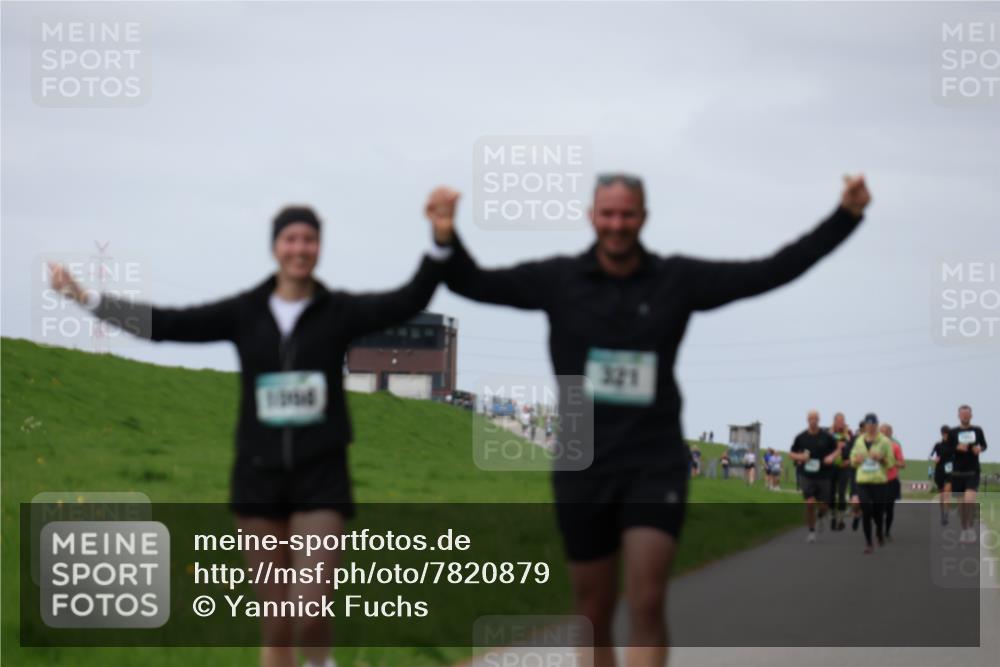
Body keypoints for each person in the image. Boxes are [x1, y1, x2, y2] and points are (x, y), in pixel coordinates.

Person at [425, 172, 870, 666]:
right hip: (583, 460)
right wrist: (445, 235)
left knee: (647, 597)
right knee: (592, 608)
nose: (617, 224)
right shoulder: (559, 280)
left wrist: (845, 217)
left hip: (653, 460)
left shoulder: (674, 281)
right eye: (608, 214)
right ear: (591, 216)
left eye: (628, 214)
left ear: (644, 218)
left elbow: (769, 270)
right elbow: (474, 282)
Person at [49, 204, 447, 667]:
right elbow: (167, 324)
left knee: (309, 611)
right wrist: (86, 298)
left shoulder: (340, 312)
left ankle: (321, 663)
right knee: (277, 625)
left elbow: (407, 299)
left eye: (309, 240)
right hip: (258, 478)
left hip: (321, 475)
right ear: (276, 247)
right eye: (290, 239)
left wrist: (440, 242)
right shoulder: (244, 313)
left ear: (319, 248)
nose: (300, 249)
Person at [850, 413, 895, 554]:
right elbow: (852, 460)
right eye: (868, 424)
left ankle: (880, 532)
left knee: (878, 512)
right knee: (867, 510)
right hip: (863, 481)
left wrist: (881, 458)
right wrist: (856, 460)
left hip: (879, 482)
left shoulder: (885, 442)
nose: (870, 427)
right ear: (865, 426)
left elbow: (891, 463)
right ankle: (869, 543)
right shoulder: (859, 441)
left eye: (873, 424)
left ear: (876, 425)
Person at [790, 410, 837, 542]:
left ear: (819, 420)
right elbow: (791, 453)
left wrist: (831, 456)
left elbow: (838, 449)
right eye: (811, 418)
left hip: (824, 475)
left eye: (815, 418)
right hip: (806, 475)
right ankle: (811, 531)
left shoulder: (826, 436)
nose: (813, 421)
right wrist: (800, 457)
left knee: (824, 506)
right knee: (809, 503)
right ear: (807, 420)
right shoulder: (801, 437)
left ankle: (820, 515)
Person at [947, 405, 989, 544]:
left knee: (969, 500)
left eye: (967, 414)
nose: (965, 416)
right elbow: (947, 449)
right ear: (958, 416)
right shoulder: (953, 432)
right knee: (961, 505)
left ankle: (970, 528)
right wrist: (956, 447)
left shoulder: (977, 430)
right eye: (962, 414)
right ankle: (965, 530)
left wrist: (979, 448)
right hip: (957, 472)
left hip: (972, 471)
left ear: (971, 416)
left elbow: (984, 445)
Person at [879, 423, 906, 541]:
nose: (883, 434)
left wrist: (891, 461)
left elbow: (902, 464)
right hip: (877, 481)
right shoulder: (873, 446)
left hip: (891, 480)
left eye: (885, 432)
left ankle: (887, 531)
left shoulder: (895, 446)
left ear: (890, 433)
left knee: (889, 508)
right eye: (881, 431)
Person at [828, 412, 854, 531]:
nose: (840, 423)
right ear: (834, 421)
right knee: (831, 494)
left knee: (842, 493)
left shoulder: (849, 433)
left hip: (844, 467)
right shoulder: (828, 433)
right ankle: (833, 516)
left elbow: (856, 449)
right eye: (838, 421)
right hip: (831, 467)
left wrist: (849, 461)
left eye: (842, 420)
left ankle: (841, 520)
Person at [930, 424, 954, 525]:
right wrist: (934, 458)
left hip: (950, 471)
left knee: (947, 492)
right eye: (944, 434)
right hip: (939, 470)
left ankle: (946, 515)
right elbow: (930, 456)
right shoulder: (938, 445)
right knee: (942, 494)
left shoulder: (954, 445)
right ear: (942, 434)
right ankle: (942, 513)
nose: (946, 436)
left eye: (947, 434)